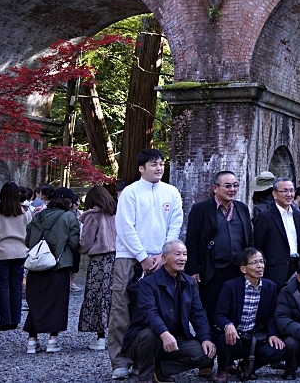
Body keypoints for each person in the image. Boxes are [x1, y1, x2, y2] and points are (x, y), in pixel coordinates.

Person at [109, 149, 184, 380]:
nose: (159, 168)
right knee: (122, 307)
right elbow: (125, 226)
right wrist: (142, 256)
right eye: (153, 164)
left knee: (154, 309)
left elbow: (175, 223)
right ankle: (120, 360)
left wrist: (164, 255)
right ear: (141, 168)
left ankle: (144, 359)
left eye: (161, 164)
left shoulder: (171, 192)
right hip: (129, 256)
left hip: (162, 258)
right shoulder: (130, 192)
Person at [122, 240, 216, 383]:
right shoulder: (148, 283)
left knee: (205, 355)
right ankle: (145, 377)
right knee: (150, 334)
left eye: (184, 254)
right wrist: (164, 333)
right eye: (177, 254)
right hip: (145, 340)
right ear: (164, 258)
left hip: (176, 338)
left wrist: (206, 338)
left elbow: (198, 313)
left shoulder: (188, 283)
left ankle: (161, 369)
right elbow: (149, 312)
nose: (182, 258)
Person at [186, 171, 253, 326]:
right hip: (212, 270)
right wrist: (193, 270)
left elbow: (249, 239)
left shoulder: (242, 208)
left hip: (237, 269)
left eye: (235, 185)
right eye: (227, 186)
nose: (232, 189)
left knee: (235, 308)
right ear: (215, 188)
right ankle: (210, 344)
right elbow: (192, 241)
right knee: (211, 308)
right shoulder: (201, 209)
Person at [213, 248, 289, 382]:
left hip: (255, 337)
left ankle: (247, 365)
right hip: (235, 335)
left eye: (261, 261)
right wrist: (228, 325)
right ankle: (222, 369)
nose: (260, 266)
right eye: (254, 263)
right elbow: (219, 315)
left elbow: (272, 315)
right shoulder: (230, 286)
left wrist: (273, 334)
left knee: (278, 349)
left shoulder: (270, 287)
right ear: (243, 269)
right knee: (223, 339)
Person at [23, 187, 81, 355]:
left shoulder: (38, 216)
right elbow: (74, 243)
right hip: (59, 265)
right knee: (57, 303)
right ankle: (52, 340)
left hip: (37, 264)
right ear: (68, 202)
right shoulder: (69, 217)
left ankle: (32, 341)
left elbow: (28, 240)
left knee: (35, 301)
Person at [0, 182, 32, 331]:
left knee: (2, 287)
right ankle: (15, 319)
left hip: (1, 252)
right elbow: (31, 231)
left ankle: (4, 320)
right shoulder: (26, 211)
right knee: (16, 286)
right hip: (20, 252)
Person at [78, 185, 118, 351]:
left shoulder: (92, 216)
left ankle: (100, 336)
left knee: (96, 295)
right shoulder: (116, 214)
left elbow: (85, 243)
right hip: (117, 259)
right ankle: (116, 336)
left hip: (98, 261)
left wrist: (79, 249)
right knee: (114, 296)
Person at [253, 177, 300, 288]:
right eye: (284, 191)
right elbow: (258, 246)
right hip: (274, 272)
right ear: (275, 194)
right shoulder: (264, 217)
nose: (289, 194)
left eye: (291, 191)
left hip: (295, 269)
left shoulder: (297, 215)